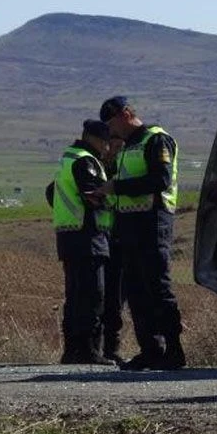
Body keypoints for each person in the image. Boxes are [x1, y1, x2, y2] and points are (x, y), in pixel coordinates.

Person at [94, 96, 185, 371]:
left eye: (112, 123)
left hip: (153, 221)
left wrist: (117, 188)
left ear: (125, 114)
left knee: (157, 287)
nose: (111, 130)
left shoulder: (156, 140)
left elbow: (161, 179)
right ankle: (150, 350)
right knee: (136, 291)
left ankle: (174, 350)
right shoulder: (127, 147)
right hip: (130, 226)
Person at [51, 119, 116, 365]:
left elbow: (51, 192)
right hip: (87, 235)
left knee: (75, 296)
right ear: (95, 139)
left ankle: (72, 350)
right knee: (92, 295)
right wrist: (113, 197)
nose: (108, 149)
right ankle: (89, 350)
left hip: (69, 236)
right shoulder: (85, 161)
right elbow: (93, 197)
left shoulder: (68, 158)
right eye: (106, 143)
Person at [99, 136, 127, 363]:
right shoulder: (94, 168)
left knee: (117, 298)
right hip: (104, 239)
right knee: (105, 297)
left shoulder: (126, 170)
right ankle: (102, 348)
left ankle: (111, 347)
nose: (115, 150)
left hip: (122, 239)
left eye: (119, 146)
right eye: (113, 145)